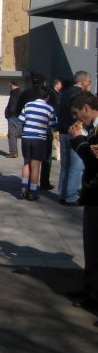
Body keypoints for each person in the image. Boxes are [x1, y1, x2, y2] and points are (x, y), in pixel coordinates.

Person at [68, 91, 98, 311]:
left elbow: (93, 161)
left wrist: (78, 141)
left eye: (77, 114)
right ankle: (90, 289)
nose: (77, 119)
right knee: (90, 247)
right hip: (92, 196)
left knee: (95, 246)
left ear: (86, 108)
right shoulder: (92, 130)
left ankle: (94, 294)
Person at [58, 71, 92, 205]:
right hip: (75, 132)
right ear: (83, 81)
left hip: (62, 132)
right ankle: (71, 195)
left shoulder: (64, 93)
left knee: (65, 166)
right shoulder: (82, 96)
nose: (89, 84)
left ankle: (62, 193)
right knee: (76, 166)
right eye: (89, 82)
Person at [18, 86, 57, 201]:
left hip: (26, 137)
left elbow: (21, 120)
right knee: (36, 166)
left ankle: (24, 187)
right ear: (47, 97)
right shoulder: (49, 108)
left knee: (26, 163)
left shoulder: (28, 105)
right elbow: (53, 125)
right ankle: (32, 192)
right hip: (39, 139)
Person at [5, 80, 21, 158]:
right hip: (17, 116)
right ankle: (14, 151)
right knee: (13, 134)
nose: (9, 86)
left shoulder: (15, 93)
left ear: (12, 85)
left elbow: (13, 106)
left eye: (10, 85)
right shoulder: (20, 93)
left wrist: (9, 114)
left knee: (11, 134)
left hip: (13, 116)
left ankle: (13, 152)